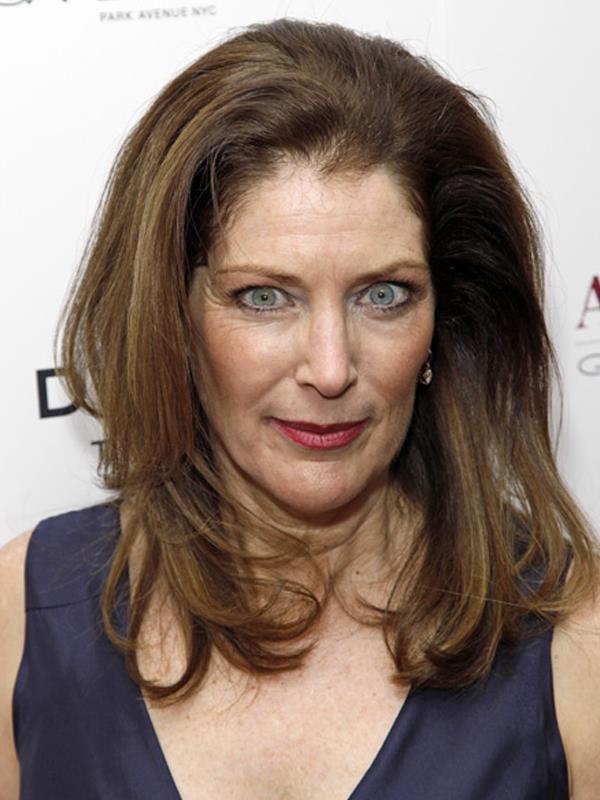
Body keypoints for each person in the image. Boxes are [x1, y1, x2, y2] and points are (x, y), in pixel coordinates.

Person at [1, 16, 600, 799]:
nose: (330, 368)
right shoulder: (23, 612)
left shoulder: (574, 636)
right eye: (264, 297)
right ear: (173, 316)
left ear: (442, 318)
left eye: (384, 295)